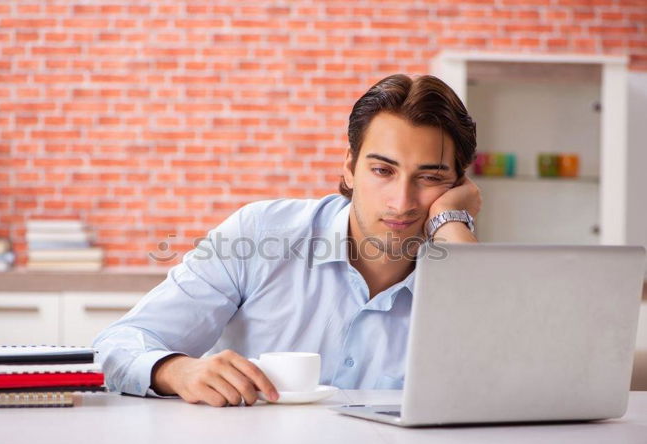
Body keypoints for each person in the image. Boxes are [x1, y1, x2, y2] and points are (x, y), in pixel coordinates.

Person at [93, 73, 481, 407]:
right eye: (382, 170)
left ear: (459, 185)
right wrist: (177, 370)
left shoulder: (466, 267)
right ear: (349, 167)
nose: (401, 201)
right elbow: (119, 344)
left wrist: (451, 221)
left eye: (430, 178)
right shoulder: (258, 235)